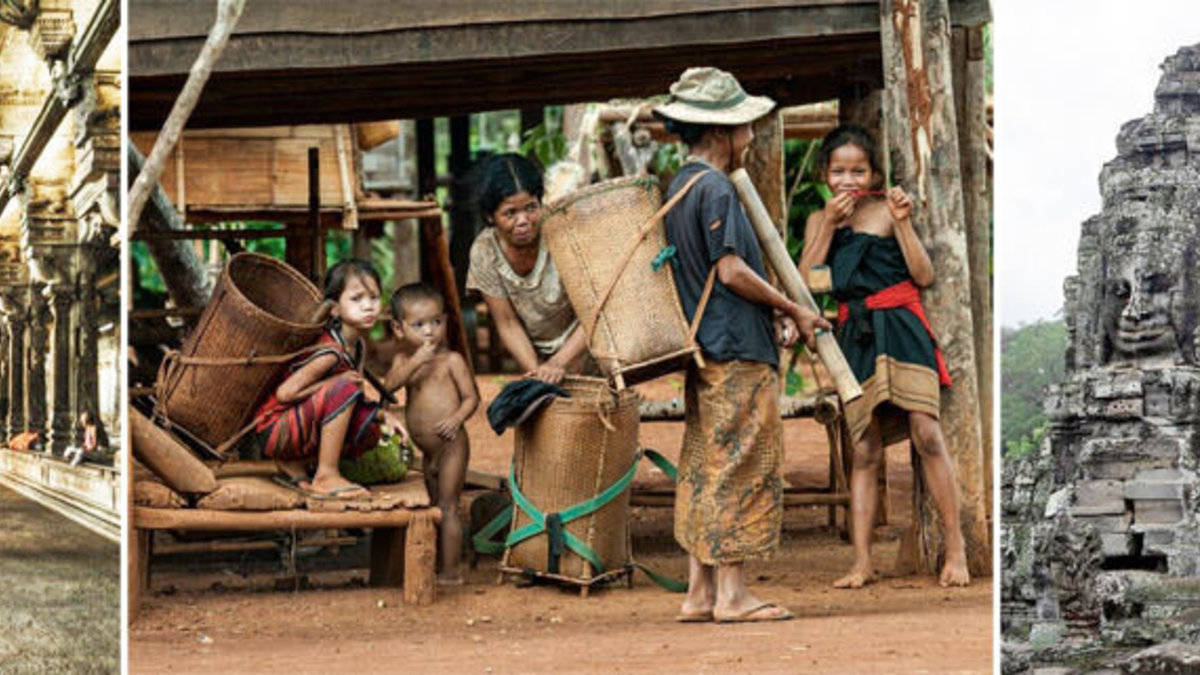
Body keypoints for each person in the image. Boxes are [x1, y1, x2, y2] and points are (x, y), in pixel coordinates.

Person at [654, 67, 829, 623]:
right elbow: (729, 270)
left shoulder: (677, 187)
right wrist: (792, 306)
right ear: (722, 132)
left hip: (705, 347)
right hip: (735, 349)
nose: (751, 135)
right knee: (741, 465)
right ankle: (733, 594)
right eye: (746, 125)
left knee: (705, 464)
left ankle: (698, 593)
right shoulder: (717, 188)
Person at [798, 124, 970, 588]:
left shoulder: (889, 211)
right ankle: (861, 562)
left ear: (873, 172)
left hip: (901, 326)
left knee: (926, 432)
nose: (849, 180)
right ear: (825, 175)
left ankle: (956, 550)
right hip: (855, 334)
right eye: (839, 171)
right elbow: (808, 282)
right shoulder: (820, 221)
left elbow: (924, 274)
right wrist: (830, 226)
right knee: (865, 449)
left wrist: (904, 222)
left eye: (858, 170)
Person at [253, 258, 407, 500]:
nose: (368, 306)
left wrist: (382, 415)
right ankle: (326, 475)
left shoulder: (357, 346)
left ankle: (296, 464)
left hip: (296, 425)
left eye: (374, 298)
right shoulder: (330, 351)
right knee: (344, 388)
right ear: (334, 308)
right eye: (356, 299)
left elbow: (351, 399)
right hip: (275, 428)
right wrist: (334, 384)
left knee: (369, 426)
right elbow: (284, 394)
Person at [465, 153, 592, 384]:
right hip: (539, 355)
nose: (523, 221)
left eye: (531, 208)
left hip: (590, 343)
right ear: (490, 217)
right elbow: (507, 322)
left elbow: (595, 311)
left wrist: (560, 362)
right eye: (510, 213)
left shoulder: (564, 234)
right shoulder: (484, 252)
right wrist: (538, 373)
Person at [385, 282, 479, 585]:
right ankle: (438, 563)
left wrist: (456, 419)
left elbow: (471, 398)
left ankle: (451, 572)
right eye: (419, 325)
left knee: (449, 507)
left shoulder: (452, 360)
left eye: (436, 322)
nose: (429, 331)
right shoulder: (404, 362)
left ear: (445, 322)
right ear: (399, 329)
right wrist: (415, 362)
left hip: (452, 445)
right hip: (427, 452)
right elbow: (388, 388)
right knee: (433, 506)